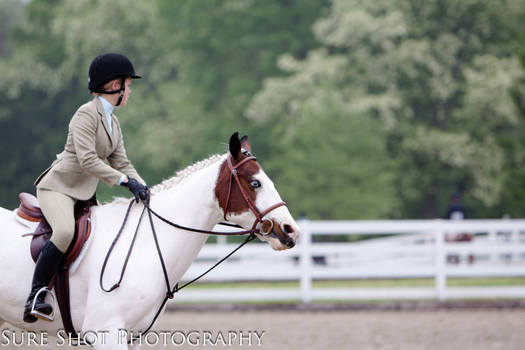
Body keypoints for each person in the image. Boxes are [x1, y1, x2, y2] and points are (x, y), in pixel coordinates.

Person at [23, 53, 149, 323]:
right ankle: (36, 295)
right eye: (128, 84)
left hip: (84, 193)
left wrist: (144, 186)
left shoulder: (113, 122)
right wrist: (125, 182)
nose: (130, 90)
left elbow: (122, 161)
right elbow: (88, 160)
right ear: (114, 85)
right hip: (59, 188)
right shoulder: (85, 114)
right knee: (66, 230)